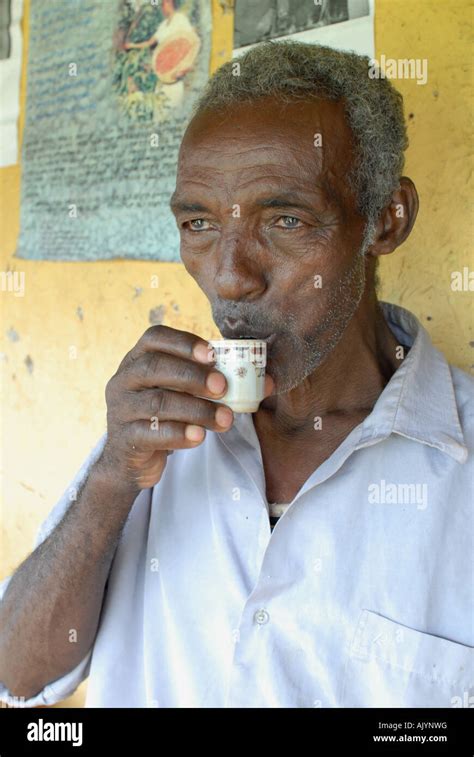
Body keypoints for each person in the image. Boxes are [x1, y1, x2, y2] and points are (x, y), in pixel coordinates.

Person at [0, 41, 472, 708]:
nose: (229, 278)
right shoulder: (152, 444)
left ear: (385, 220)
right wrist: (112, 475)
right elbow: (19, 678)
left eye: (284, 220)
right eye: (198, 223)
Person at [124, 0, 195, 108]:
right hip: (161, 77)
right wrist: (131, 46)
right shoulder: (163, 25)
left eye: (162, 4)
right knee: (159, 109)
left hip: (175, 77)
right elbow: (149, 43)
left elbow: (193, 42)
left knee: (171, 108)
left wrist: (185, 68)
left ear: (169, 2)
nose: (162, 7)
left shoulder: (180, 19)